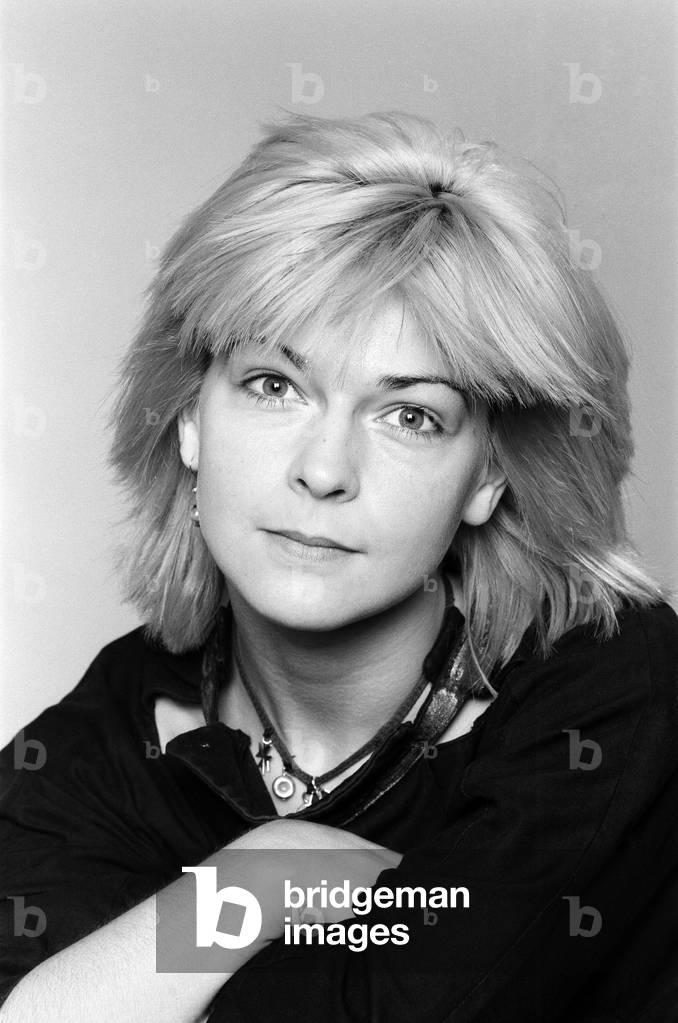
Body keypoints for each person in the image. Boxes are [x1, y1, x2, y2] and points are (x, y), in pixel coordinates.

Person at [1, 109, 677, 1023]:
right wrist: (270, 871)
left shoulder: (610, 691)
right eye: (274, 386)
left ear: (486, 476)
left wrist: (163, 971)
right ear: (189, 418)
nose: (323, 470)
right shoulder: (105, 738)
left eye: (410, 415)